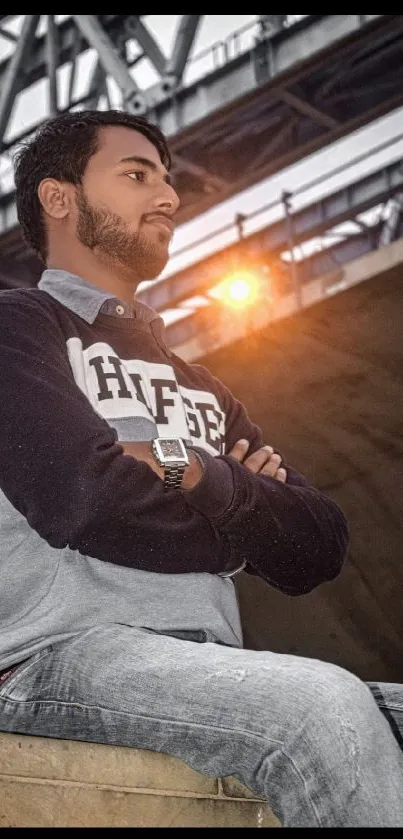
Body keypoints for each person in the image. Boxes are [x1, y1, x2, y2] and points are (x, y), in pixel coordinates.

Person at [0, 109, 402, 828]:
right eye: (135, 174)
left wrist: (195, 474)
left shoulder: (201, 385)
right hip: (52, 660)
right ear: (59, 199)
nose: (169, 197)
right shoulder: (18, 329)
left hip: (201, 663)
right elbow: (84, 501)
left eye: (167, 177)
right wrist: (242, 522)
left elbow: (317, 545)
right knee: (322, 709)